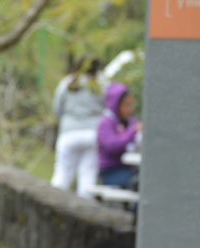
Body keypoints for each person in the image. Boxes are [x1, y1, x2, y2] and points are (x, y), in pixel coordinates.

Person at [50, 57, 104, 199]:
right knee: (88, 176)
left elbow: (57, 109)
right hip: (93, 134)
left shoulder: (67, 83)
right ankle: (86, 213)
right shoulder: (101, 84)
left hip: (69, 133)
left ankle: (53, 204)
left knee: (62, 174)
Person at [96, 82, 142, 189]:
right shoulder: (106, 122)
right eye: (126, 105)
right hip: (110, 172)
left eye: (131, 105)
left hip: (129, 169)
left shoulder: (130, 121)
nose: (130, 109)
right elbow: (112, 146)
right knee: (137, 184)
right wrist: (132, 131)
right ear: (115, 105)